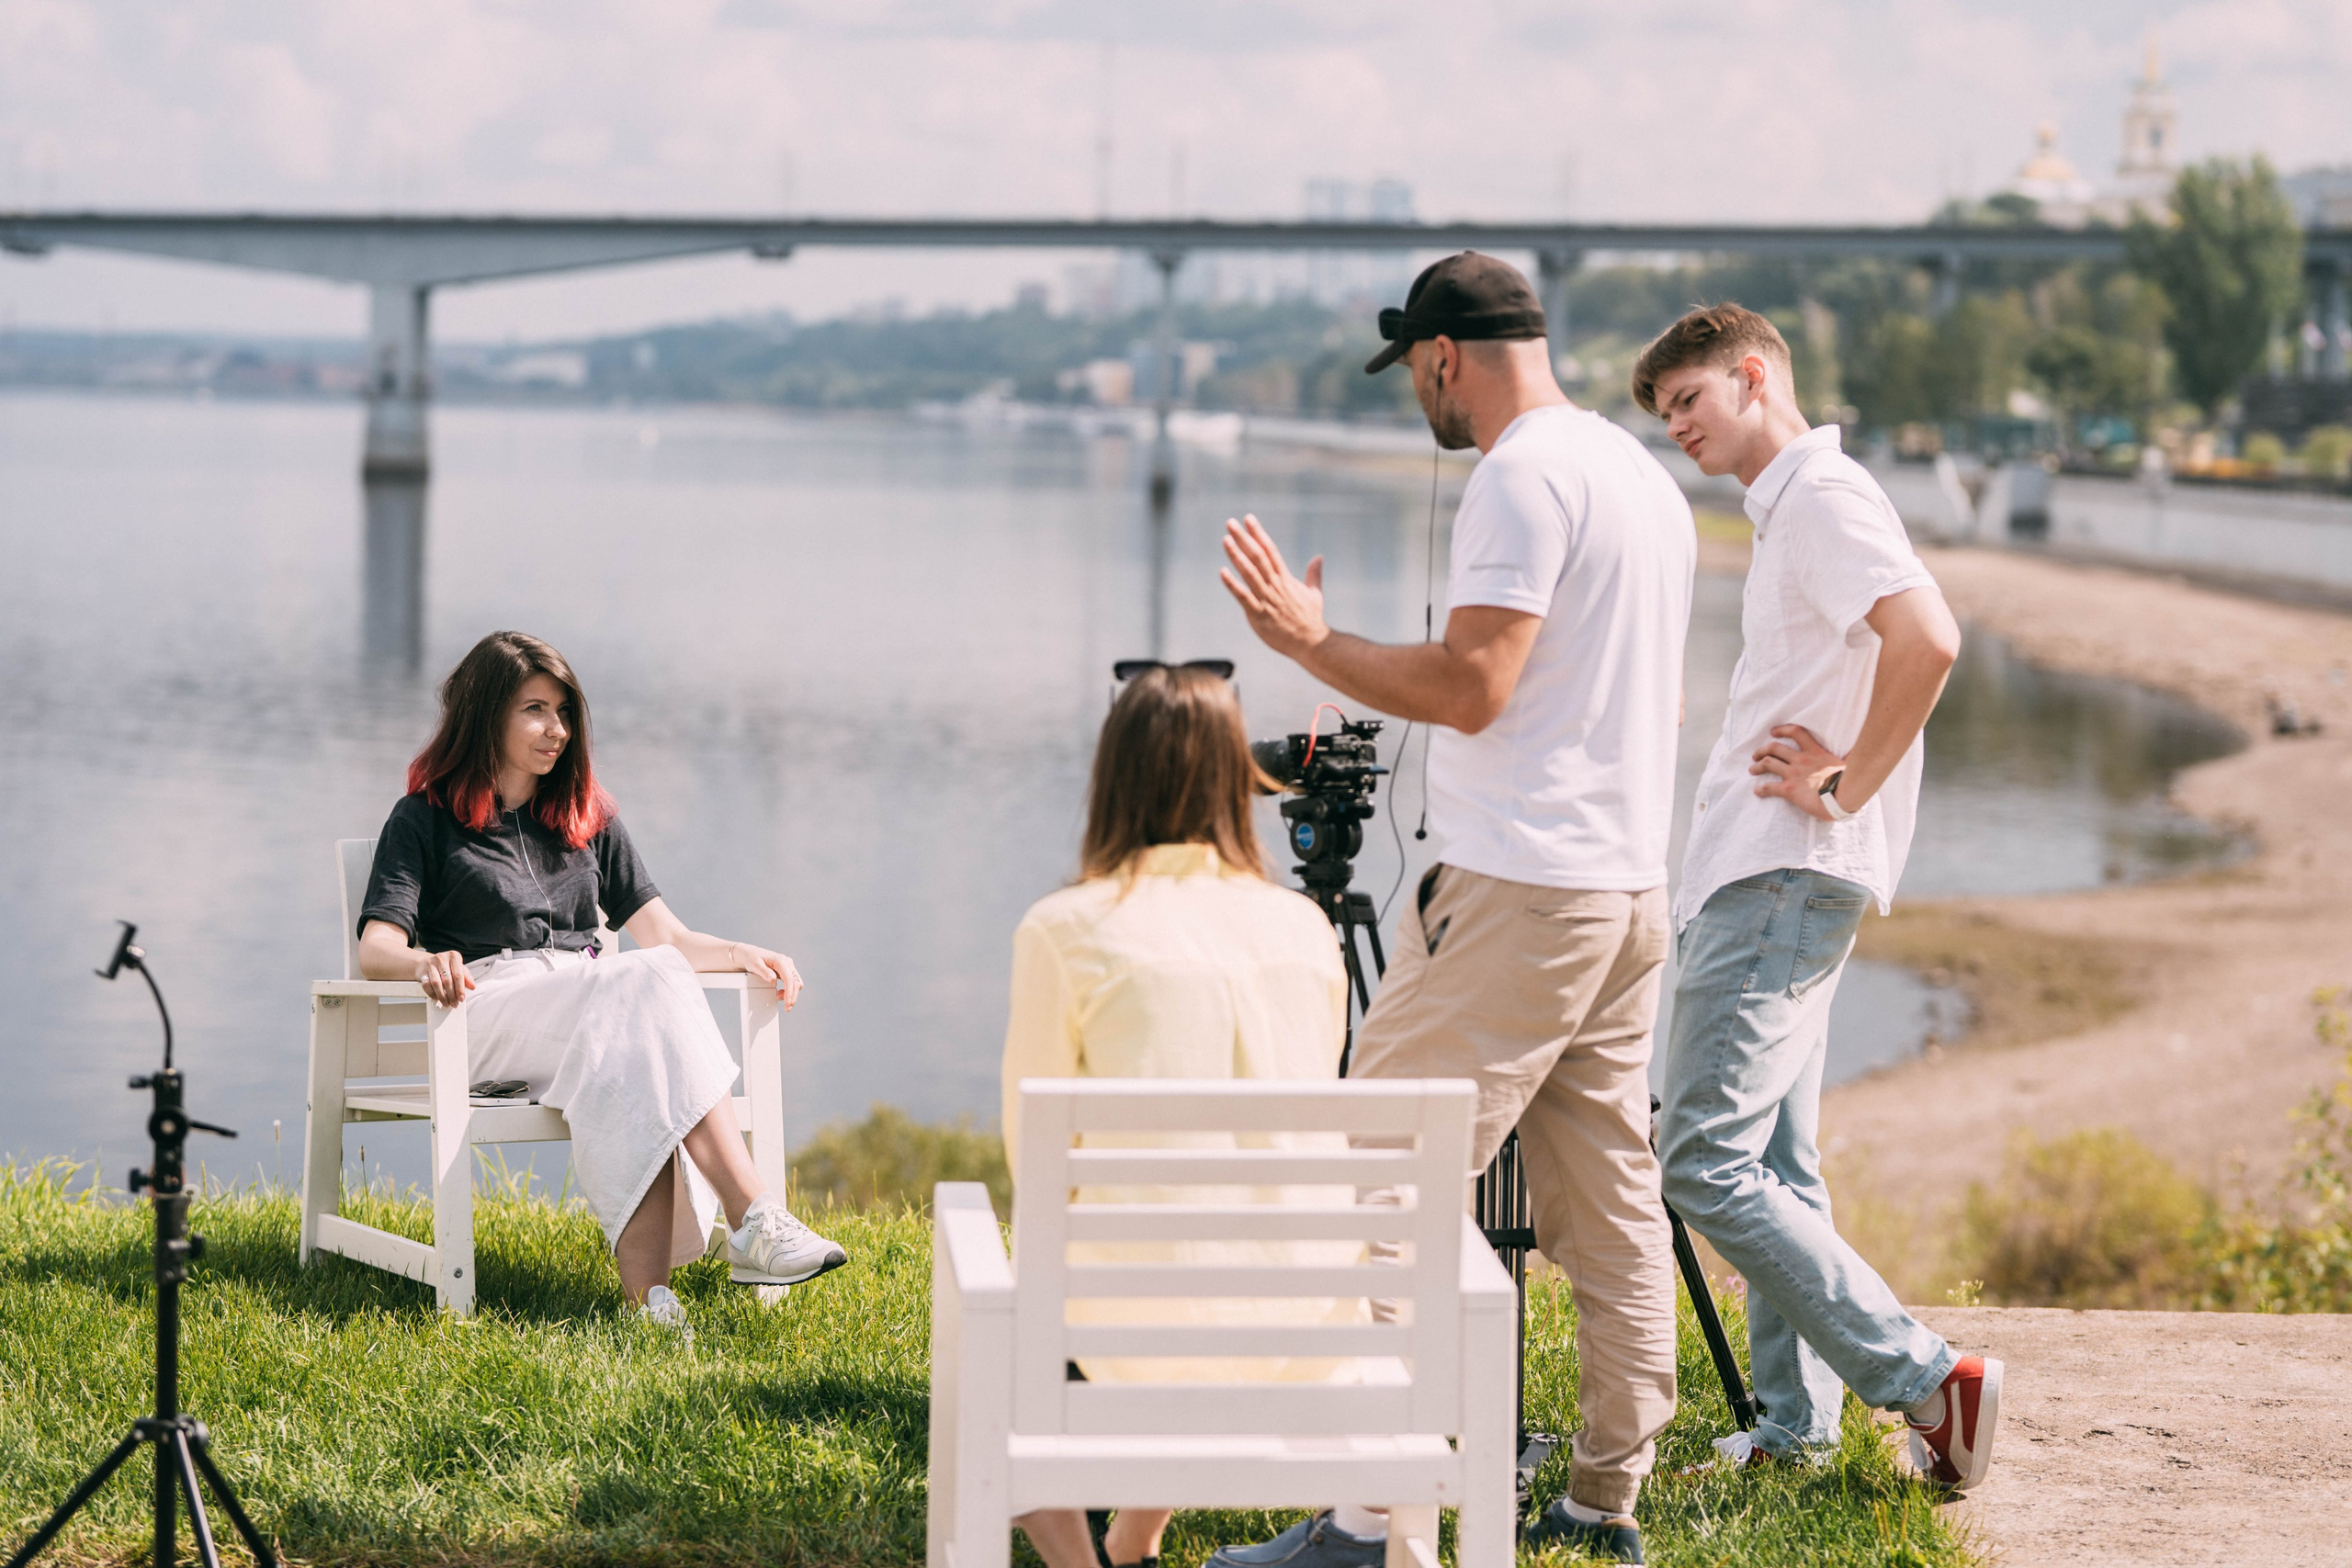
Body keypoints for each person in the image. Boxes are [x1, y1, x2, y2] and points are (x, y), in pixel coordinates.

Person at [1215, 252, 1696, 1566]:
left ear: (1442, 358)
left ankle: (1374, 1521)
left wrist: (1309, 642)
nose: (1418, 399)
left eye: (1413, 376)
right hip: (1626, 888)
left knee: (1378, 1175)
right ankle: (1603, 1503)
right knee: (1611, 1201)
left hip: (1521, 894)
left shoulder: (1519, 475)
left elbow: (1476, 686)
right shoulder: (1641, 478)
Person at [1632, 304, 2001, 1489]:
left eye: (1688, 399)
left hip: (1780, 873)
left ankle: (1927, 1379)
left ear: (1753, 376)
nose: (1677, 427)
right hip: (1775, 873)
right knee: (1778, 1168)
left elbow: (1927, 637)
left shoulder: (1824, 498)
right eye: (1664, 413)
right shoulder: (1790, 508)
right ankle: (1795, 1434)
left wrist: (1845, 785)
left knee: (1701, 1159)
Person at [355, 630, 848, 1331]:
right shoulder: (424, 819)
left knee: (639, 1036)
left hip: (594, 1013)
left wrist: (745, 952)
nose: (556, 729)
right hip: (484, 1014)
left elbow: (668, 937)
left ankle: (650, 1301)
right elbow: (377, 947)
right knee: (643, 986)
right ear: (486, 714)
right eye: (534, 709)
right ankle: (755, 1217)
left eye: (563, 712)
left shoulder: (587, 817)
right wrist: (423, 962)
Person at [1001, 662, 1354, 1568]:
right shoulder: (1307, 928)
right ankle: (1135, 1542)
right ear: (1238, 779)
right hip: (1309, 1335)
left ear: (1111, 776)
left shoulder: (1065, 927)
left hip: (1134, 1345)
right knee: (1209, 1237)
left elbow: (1033, 1159)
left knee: (1038, 1327)